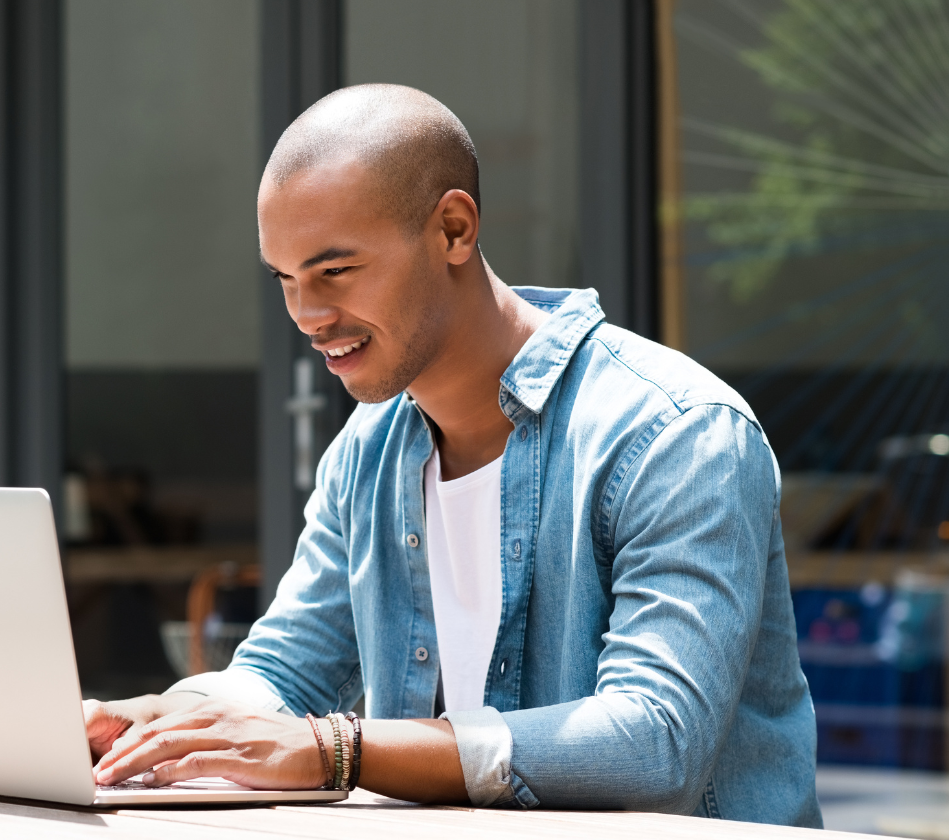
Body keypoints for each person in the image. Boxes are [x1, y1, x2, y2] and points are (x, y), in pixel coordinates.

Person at [84, 84, 820, 826]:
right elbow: (285, 672)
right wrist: (161, 720)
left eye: (335, 272)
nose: (307, 315)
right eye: (286, 279)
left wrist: (339, 749)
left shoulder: (675, 434)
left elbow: (655, 741)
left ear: (454, 229)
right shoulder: (367, 454)